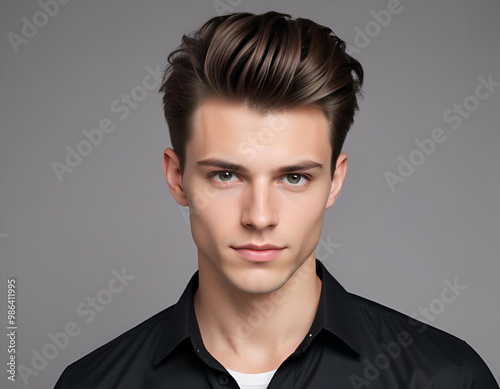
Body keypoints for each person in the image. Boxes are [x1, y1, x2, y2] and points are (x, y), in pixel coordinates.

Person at [54, 11, 498, 388]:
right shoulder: (92, 382)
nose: (260, 216)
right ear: (177, 178)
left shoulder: (446, 378)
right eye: (226, 175)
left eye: (294, 177)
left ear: (335, 181)